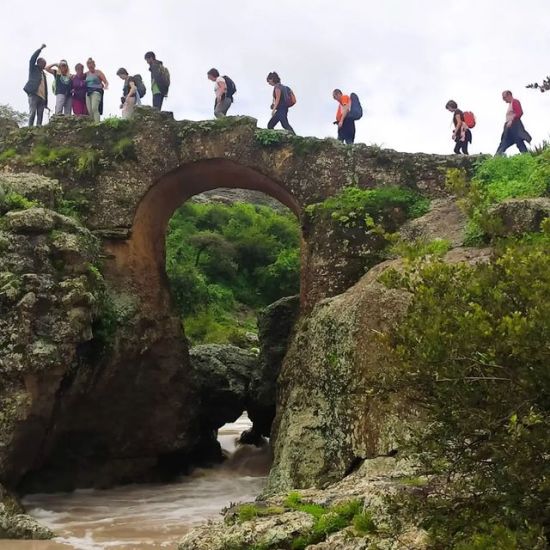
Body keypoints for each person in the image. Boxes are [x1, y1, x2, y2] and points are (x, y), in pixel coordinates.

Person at [496, 90, 532, 155]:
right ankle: (496, 156)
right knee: (504, 142)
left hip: (514, 126)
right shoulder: (510, 104)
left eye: (504, 97)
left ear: (509, 95)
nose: (504, 100)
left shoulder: (515, 102)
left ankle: (526, 156)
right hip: (509, 127)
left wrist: (511, 121)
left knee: (518, 141)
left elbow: (519, 112)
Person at [23, 44, 48, 127]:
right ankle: (30, 128)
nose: (44, 65)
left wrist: (46, 101)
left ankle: (38, 129)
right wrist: (40, 49)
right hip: (34, 94)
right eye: (43, 63)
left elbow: (45, 88)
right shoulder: (33, 69)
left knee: (40, 115)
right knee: (32, 112)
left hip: (42, 97)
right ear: (39, 63)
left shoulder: (43, 74)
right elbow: (32, 59)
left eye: (45, 64)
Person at [85, 58, 108, 123]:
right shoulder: (86, 74)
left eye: (91, 64)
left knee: (94, 108)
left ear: (94, 65)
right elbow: (79, 78)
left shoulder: (98, 72)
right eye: (88, 64)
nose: (90, 66)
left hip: (96, 91)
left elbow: (106, 82)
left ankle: (97, 123)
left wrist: (105, 86)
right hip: (88, 92)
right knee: (90, 110)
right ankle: (92, 123)